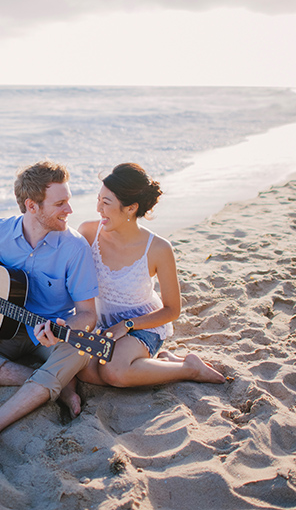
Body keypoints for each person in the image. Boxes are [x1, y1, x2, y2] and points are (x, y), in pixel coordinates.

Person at [0, 161, 98, 461]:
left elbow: (89, 315)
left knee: (81, 348)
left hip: (51, 338)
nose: (69, 210)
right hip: (4, 330)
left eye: (69, 201)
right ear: (32, 206)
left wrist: (64, 326)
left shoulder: (75, 247)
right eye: (60, 203)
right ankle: (49, 383)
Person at [75, 163, 225, 388]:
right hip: (102, 324)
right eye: (98, 199)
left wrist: (127, 325)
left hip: (142, 325)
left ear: (130, 208)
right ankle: (160, 363)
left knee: (115, 372)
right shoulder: (88, 232)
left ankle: (189, 368)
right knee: (85, 371)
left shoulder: (158, 249)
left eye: (106, 203)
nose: (99, 208)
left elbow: (172, 310)